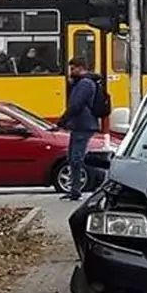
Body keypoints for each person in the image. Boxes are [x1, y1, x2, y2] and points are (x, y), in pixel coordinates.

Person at [57, 57, 102, 201]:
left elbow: (76, 105)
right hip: (80, 125)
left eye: (73, 68)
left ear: (81, 68)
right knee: (72, 158)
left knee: (76, 158)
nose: (71, 72)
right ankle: (74, 189)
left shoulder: (84, 84)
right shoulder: (82, 83)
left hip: (83, 125)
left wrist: (62, 121)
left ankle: (78, 189)